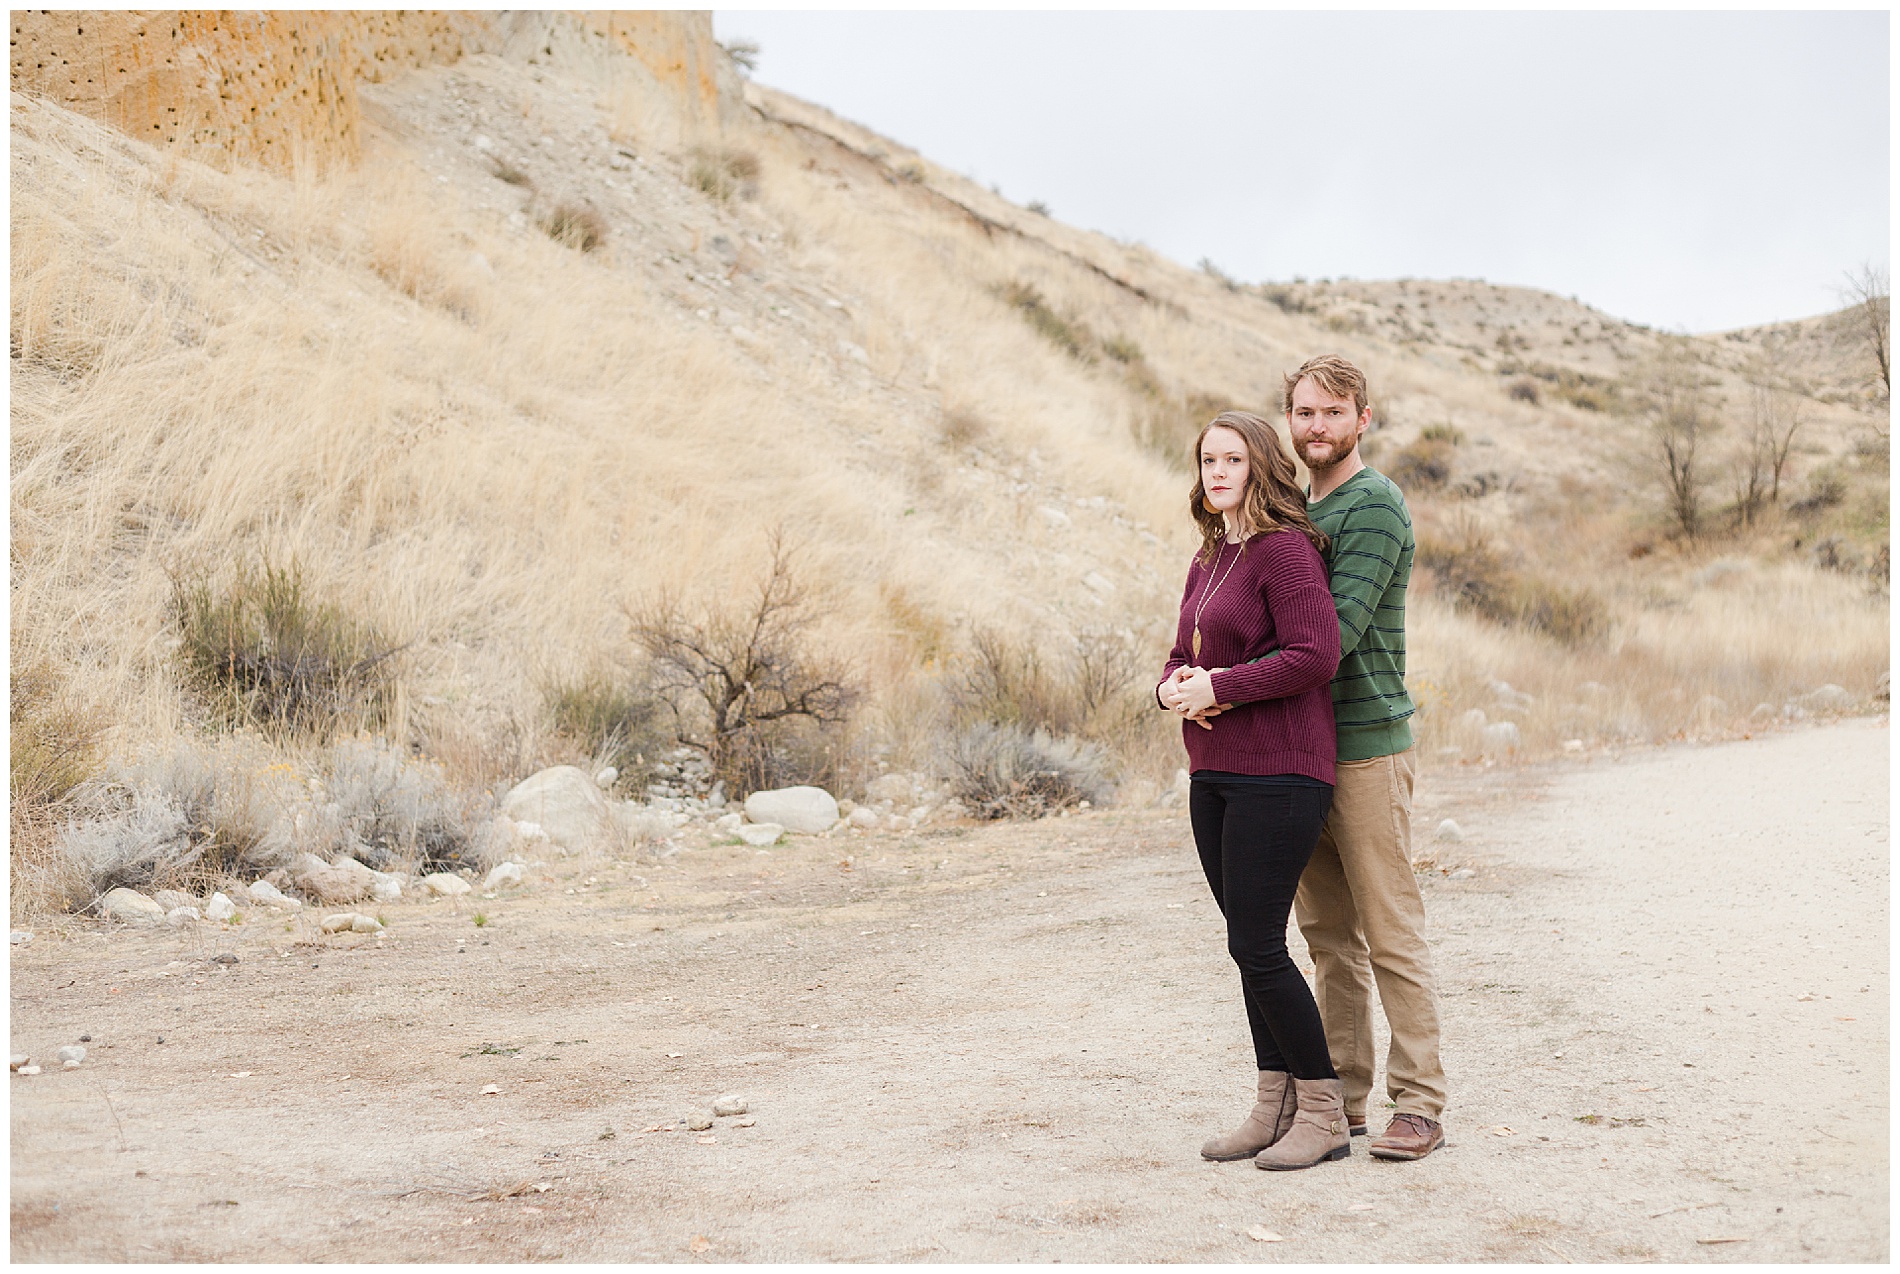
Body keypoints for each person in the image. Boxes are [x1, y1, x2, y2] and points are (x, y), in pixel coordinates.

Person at [1154, 411, 1347, 1171]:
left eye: (1232, 458)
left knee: (1257, 942)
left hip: (1283, 770)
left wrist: (1221, 684)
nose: (1217, 471)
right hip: (1215, 770)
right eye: (1207, 459)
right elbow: (1180, 653)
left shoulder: (1286, 551)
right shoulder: (1210, 558)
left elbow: (1315, 654)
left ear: (1261, 465)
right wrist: (1171, 689)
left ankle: (1323, 1109)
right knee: (1248, 946)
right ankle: (1273, 1106)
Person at [1282, 354, 1448, 1161]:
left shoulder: (1373, 505)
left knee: (1390, 930)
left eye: (1332, 413)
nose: (1316, 427)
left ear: (1362, 420)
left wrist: (1234, 682)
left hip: (1367, 749)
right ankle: (1343, 1099)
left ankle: (1418, 1103)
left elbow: (1332, 638)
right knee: (1328, 938)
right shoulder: (1296, 509)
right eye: (1304, 412)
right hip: (1303, 751)